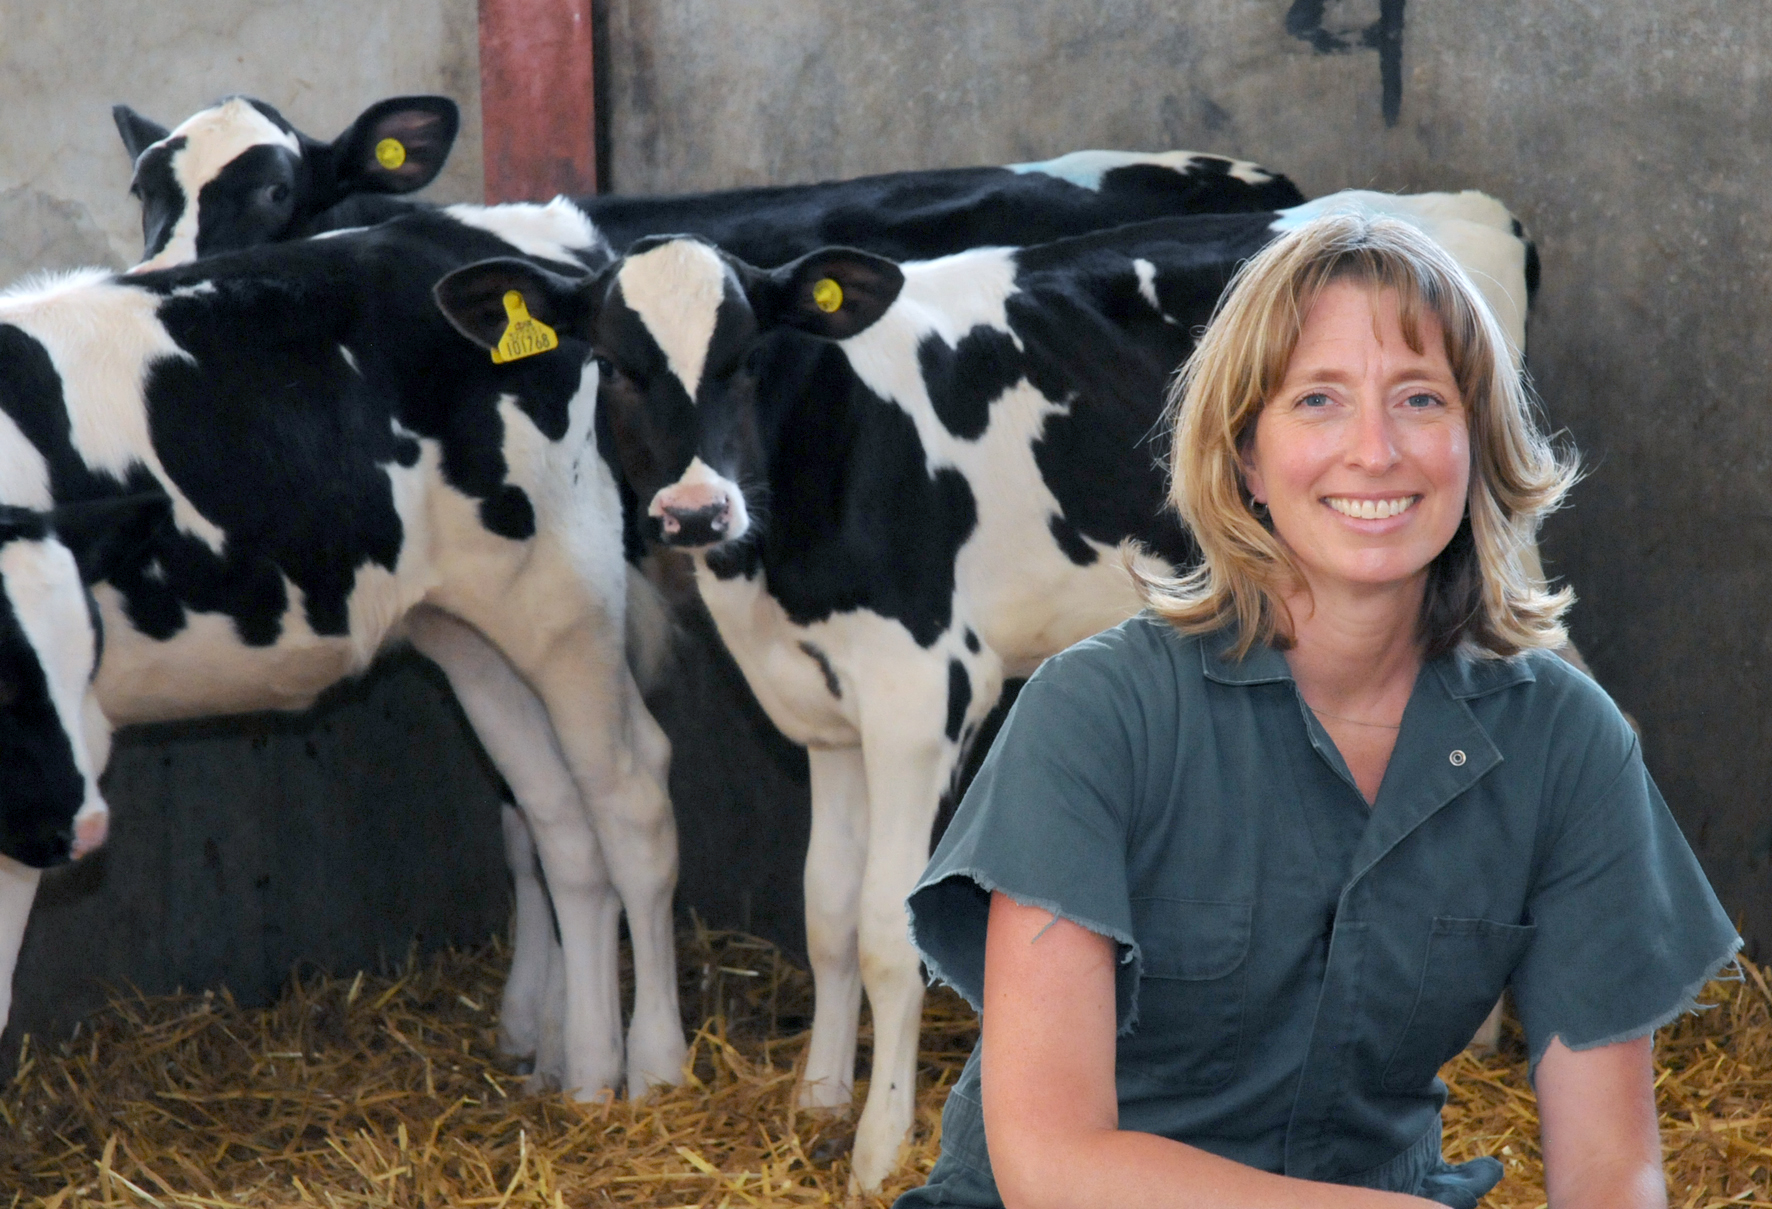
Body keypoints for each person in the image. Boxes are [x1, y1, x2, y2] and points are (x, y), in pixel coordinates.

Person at [894, 211, 1740, 1209]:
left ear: (1477, 442)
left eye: (1420, 398)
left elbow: (1610, 1168)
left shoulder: (1564, 740)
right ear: (1245, 455)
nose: (1373, 451)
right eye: (1317, 401)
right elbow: (1051, 1164)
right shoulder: (1093, 716)